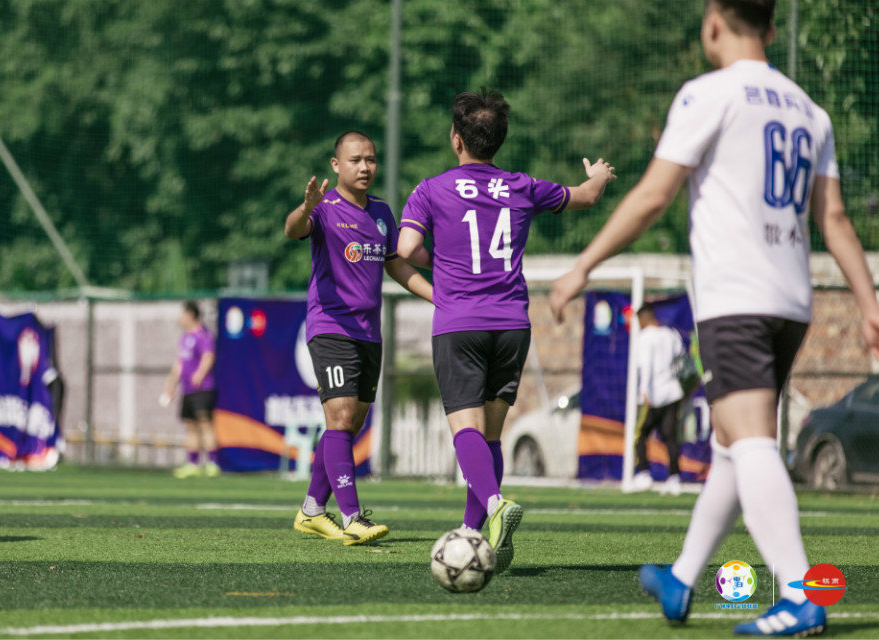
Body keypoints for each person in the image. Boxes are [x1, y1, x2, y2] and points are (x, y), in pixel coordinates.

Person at [548, 0, 879, 635]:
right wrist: (868, 303)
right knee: (731, 443)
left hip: (736, 298)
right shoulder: (810, 111)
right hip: (791, 301)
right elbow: (834, 218)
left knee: (751, 441)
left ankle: (801, 594)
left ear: (713, 23)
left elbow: (654, 194)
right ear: (772, 29)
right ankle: (682, 576)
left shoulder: (709, 94)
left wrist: (583, 265)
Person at [397, 89, 616, 573]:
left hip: (460, 323)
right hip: (512, 323)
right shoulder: (522, 185)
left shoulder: (431, 189)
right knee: (491, 436)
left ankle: (494, 504)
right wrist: (599, 175)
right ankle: (474, 533)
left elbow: (407, 248)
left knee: (465, 430)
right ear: (499, 140)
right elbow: (586, 196)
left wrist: (443, 265)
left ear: (456, 139)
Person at [284, 131, 433, 546]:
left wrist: (440, 297)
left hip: (369, 334)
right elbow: (292, 230)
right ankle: (353, 518)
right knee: (341, 417)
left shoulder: (382, 212)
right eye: (355, 160)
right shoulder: (324, 208)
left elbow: (397, 266)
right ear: (336, 165)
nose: (365, 167)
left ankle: (312, 510)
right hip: (331, 327)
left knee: (349, 425)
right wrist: (306, 207)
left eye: (371, 159)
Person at [161, 301, 219, 479]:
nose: (180, 318)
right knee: (190, 426)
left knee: (205, 425)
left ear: (191, 315)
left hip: (202, 389)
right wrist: (171, 384)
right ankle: (193, 464)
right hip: (187, 390)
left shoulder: (203, 335)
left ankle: (212, 464)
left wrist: (200, 374)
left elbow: (209, 356)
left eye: (183, 314)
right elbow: (179, 364)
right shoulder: (185, 338)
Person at [633, 304, 685, 495]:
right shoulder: (671, 335)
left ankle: (643, 474)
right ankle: (674, 477)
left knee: (640, 434)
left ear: (642, 319)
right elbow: (681, 358)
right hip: (672, 392)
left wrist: (644, 390)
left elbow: (646, 364)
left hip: (653, 395)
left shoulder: (645, 337)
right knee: (670, 437)